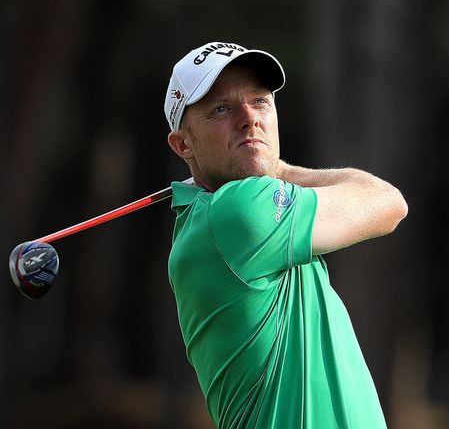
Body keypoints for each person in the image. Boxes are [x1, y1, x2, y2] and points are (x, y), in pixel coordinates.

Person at [163, 41, 407, 429]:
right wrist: (280, 168)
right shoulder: (237, 214)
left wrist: (269, 166)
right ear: (183, 144)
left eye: (259, 101)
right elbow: (388, 202)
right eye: (222, 109)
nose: (249, 118)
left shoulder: (215, 220)